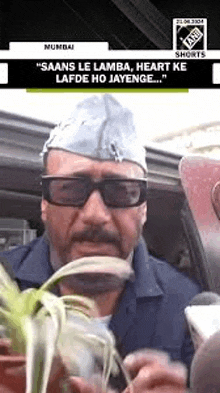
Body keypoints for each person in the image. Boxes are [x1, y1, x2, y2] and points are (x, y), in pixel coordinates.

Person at [1, 94, 201, 392]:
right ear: (44, 203)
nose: (95, 215)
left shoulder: (186, 306)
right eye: (69, 189)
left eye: (121, 190)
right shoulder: (5, 285)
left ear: (143, 208)